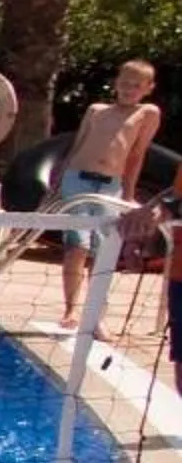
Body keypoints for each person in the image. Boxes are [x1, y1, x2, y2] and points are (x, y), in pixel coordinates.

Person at [55, 59, 163, 313]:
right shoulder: (96, 110)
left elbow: (137, 155)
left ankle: (96, 315)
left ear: (148, 88)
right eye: (125, 83)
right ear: (116, 83)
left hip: (110, 185)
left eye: (137, 85)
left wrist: (128, 193)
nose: (129, 89)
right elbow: (78, 146)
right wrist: (58, 181)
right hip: (77, 180)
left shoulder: (146, 113)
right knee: (77, 245)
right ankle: (70, 309)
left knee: (105, 248)